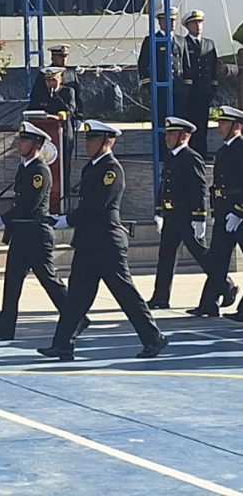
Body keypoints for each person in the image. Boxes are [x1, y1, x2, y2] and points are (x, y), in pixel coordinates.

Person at [38, 121, 168, 361]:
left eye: (93, 139)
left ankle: (154, 338)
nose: (87, 143)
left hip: (107, 243)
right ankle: (62, 344)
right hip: (88, 242)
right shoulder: (92, 168)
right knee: (77, 295)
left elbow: (97, 205)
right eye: (87, 139)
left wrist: (66, 220)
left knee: (125, 294)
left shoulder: (111, 170)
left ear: (107, 141)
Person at [0, 123, 84, 341]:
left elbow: (29, 204)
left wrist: (1, 220)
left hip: (36, 234)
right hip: (21, 233)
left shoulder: (39, 171)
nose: (19, 144)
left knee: (49, 280)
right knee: (12, 281)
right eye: (20, 139)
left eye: (24, 140)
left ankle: (77, 318)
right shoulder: (25, 168)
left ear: (37, 144)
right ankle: (4, 328)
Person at [146, 117, 229, 310]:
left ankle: (226, 285)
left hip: (185, 217)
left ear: (184, 136)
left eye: (172, 134)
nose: (167, 138)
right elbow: (164, 186)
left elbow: (198, 188)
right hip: (171, 216)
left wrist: (199, 217)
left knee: (201, 255)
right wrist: (159, 211)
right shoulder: (171, 157)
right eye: (167, 134)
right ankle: (160, 297)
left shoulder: (191, 157)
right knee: (165, 257)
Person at [207, 107, 243, 320]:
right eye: (219, 123)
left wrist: (239, 211)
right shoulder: (223, 150)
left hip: (238, 214)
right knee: (217, 260)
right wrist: (215, 211)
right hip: (224, 213)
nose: (219, 127)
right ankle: (209, 303)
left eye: (224, 123)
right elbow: (217, 186)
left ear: (236, 126)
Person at [137, 6, 184, 151]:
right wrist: (148, 85)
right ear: (160, 22)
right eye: (168, 20)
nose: (172, 23)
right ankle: (163, 151)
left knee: (179, 120)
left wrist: (186, 85)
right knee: (162, 121)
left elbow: (186, 63)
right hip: (160, 89)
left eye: (173, 20)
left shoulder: (180, 40)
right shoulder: (152, 40)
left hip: (178, 89)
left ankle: (178, 149)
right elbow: (143, 64)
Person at [179, 9, 218, 158]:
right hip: (191, 90)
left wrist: (213, 85)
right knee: (190, 122)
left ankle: (202, 151)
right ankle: (191, 151)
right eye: (194, 23)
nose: (198, 26)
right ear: (187, 26)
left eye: (200, 22)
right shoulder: (183, 43)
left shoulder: (209, 44)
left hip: (204, 90)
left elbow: (213, 65)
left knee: (203, 122)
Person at [45, 45, 83, 118]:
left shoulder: (71, 73)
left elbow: (78, 95)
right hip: (50, 115)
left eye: (65, 56)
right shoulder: (45, 73)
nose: (64, 59)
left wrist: (79, 115)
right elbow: (38, 95)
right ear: (53, 58)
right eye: (60, 57)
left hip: (69, 114)